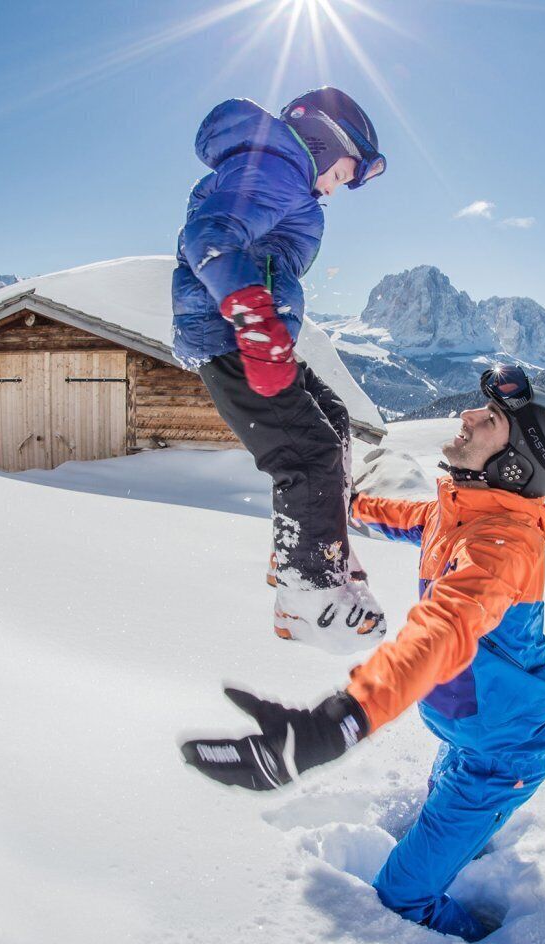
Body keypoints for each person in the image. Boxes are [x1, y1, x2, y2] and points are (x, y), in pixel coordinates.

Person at [182, 366, 545, 942]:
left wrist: (343, 719)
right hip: (474, 734)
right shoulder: (462, 509)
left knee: (403, 896)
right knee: (440, 814)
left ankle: (491, 935)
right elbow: (408, 517)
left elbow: (442, 631)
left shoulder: (500, 548)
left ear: (512, 464)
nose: (467, 416)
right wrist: (339, 504)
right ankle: (462, 846)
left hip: (504, 757)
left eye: (489, 420)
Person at [172, 86, 390, 654]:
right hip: (234, 336)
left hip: (254, 336)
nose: (335, 190)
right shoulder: (274, 166)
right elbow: (208, 238)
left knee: (333, 419)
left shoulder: (282, 172)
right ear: (322, 140)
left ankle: (320, 547)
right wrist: (253, 319)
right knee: (307, 453)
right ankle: (306, 597)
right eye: (342, 176)